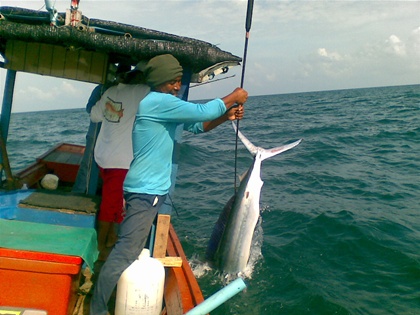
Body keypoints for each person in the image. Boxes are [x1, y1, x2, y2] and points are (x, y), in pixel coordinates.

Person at [90, 54, 247, 314]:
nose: (178, 87)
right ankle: (97, 309)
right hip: (144, 193)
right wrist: (234, 95)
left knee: (127, 249)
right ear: (162, 82)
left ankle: (110, 296)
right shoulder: (156, 102)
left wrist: (227, 116)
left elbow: (199, 125)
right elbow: (203, 111)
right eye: (174, 81)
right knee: (125, 252)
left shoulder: (164, 106)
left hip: (148, 191)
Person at [90, 65, 150, 261]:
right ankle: (100, 245)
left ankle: (111, 238)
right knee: (111, 203)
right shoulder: (140, 92)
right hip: (120, 161)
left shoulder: (110, 92)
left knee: (115, 200)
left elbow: (94, 115)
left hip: (103, 157)